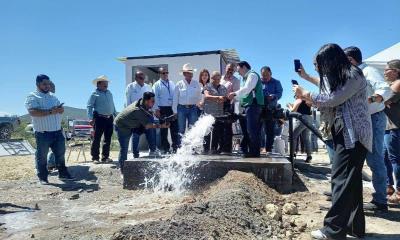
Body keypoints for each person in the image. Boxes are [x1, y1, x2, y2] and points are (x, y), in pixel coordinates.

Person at [294, 43, 372, 240]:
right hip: (347, 134)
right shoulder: (345, 75)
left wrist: (306, 95)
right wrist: (307, 83)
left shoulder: (353, 74)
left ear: (331, 61)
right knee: (351, 183)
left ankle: (333, 230)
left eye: (320, 64)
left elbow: (333, 98)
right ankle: (354, 228)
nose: (318, 69)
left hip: (353, 136)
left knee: (340, 180)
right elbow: (327, 90)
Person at [344, 46, 391, 211]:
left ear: (350, 60)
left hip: (374, 118)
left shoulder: (369, 70)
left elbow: (384, 89)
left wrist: (369, 100)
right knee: (357, 157)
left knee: (375, 158)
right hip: (361, 119)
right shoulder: (353, 74)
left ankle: (380, 200)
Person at [25, 74, 73, 184]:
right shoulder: (32, 96)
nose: (47, 86)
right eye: (44, 84)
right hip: (43, 133)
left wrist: (60, 109)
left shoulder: (53, 97)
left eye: (48, 83)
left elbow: (60, 110)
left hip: (57, 131)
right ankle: (43, 177)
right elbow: (32, 112)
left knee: (60, 155)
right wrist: (51, 111)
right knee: (42, 156)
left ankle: (63, 174)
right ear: (38, 84)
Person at [115, 92, 169, 172]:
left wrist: (157, 116)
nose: (154, 103)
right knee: (124, 149)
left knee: (149, 129)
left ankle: (153, 150)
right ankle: (123, 170)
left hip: (133, 124)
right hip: (122, 126)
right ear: (146, 101)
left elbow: (147, 114)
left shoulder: (142, 103)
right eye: (152, 101)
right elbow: (147, 125)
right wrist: (161, 126)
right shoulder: (137, 110)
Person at [228, 61, 264, 158]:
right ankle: (252, 151)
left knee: (252, 130)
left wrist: (234, 94)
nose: (237, 72)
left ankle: (254, 153)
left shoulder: (252, 75)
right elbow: (244, 94)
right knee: (250, 130)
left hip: (253, 105)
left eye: (238, 69)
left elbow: (247, 89)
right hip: (249, 106)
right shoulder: (246, 77)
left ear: (243, 67)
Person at [125, 71, 157, 156]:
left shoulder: (148, 87)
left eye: (143, 78)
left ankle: (152, 151)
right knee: (136, 135)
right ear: (136, 78)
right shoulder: (130, 87)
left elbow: (152, 101)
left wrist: (153, 110)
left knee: (150, 132)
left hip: (147, 114)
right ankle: (135, 154)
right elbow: (128, 101)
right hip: (135, 114)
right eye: (140, 78)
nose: (142, 79)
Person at [87, 75, 117, 164]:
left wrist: (116, 115)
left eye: (106, 83)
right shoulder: (94, 94)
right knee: (97, 138)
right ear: (98, 84)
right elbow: (89, 106)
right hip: (99, 118)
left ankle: (105, 157)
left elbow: (113, 105)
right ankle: (95, 157)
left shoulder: (109, 93)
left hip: (109, 118)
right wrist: (90, 118)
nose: (106, 84)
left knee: (107, 139)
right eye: (104, 83)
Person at [383, 59, 400, 204]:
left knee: (395, 159)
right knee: (385, 157)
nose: (384, 72)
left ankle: (399, 191)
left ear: (395, 71)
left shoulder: (398, 83)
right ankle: (389, 187)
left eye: (386, 69)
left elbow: (384, 100)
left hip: (395, 127)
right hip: (389, 127)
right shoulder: (391, 84)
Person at [172, 63, 202, 146]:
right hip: (181, 109)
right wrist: (175, 111)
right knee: (181, 129)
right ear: (184, 74)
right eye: (188, 72)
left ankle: (191, 148)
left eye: (191, 72)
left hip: (193, 109)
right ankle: (180, 148)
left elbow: (199, 97)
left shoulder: (196, 84)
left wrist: (199, 106)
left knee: (192, 129)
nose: (190, 74)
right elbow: (175, 98)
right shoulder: (179, 84)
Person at [153, 67, 179, 154]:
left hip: (172, 109)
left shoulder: (172, 83)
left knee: (174, 129)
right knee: (164, 131)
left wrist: (176, 109)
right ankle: (166, 148)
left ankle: (175, 148)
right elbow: (154, 98)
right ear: (159, 74)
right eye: (163, 73)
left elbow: (176, 96)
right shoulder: (156, 84)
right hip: (162, 109)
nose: (165, 74)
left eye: (166, 72)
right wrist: (156, 109)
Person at [203, 71, 227, 153]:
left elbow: (225, 98)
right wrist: (217, 98)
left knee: (217, 133)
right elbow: (206, 96)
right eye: (215, 79)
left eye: (219, 79)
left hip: (219, 114)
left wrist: (223, 99)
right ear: (212, 78)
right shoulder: (207, 86)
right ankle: (206, 150)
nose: (217, 80)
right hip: (209, 114)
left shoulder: (223, 88)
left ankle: (214, 149)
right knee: (207, 133)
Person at [260, 66, 283, 154]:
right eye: (263, 75)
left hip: (271, 109)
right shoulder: (259, 82)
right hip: (260, 108)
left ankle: (268, 149)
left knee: (270, 131)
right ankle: (260, 147)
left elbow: (280, 93)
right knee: (258, 130)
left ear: (271, 73)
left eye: (266, 74)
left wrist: (273, 96)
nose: (265, 76)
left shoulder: (276, 82)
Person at [220, 63, 241, 153]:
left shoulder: (236, 80)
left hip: (229, 105)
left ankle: (227, 149)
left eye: (232, 69)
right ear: (226, 68)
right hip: (219, 105)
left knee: (228, 127)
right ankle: (221, 147)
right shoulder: (221, 78)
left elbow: (236, 95)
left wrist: (236, 110)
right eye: (229, 69)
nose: (230, 71)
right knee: (220, 127)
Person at [286, 96, 313, 162]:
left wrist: (289, 106)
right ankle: (309, 156)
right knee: (306, 139)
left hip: (301, 118)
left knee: (293, 137)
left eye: (295, 96)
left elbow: (293, 111)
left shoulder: (298, 100)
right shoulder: (306, 99)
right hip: (309, 118)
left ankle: (292, 155)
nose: (294, 97)